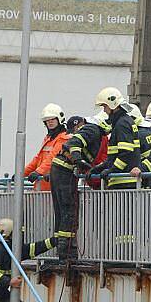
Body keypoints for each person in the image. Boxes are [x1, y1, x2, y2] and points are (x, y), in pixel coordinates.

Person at [51, 111, 110, 260]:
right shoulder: (93, 130)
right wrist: (78, 160)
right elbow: (73, 143)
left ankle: (62, 251)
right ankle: (68, 253)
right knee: (70, 211)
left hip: (60, 170)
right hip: (66, 171)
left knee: (62, 212)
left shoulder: (95, 132)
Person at [88, 87, 139, 189]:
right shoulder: (123, 122)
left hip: (124, 182)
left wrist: (112, 170)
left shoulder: (122, 124)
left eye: (105, 106)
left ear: (112, 105)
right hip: (124, 180)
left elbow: (126, 153)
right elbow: (114, 156)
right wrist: (98, 168)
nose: (104, 111)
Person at [24, 103, 70, 192]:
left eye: (52, 119)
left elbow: (52, 158)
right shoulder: (48, 139)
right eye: (47, 120)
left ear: (59, 119)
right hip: (43, 187)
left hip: (56, 188)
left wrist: (38, 172)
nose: (50, 122)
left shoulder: (64, 138)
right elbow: (38, 159)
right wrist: (22, 173)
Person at [68, 115, 108, 190]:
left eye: (75, 130)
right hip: (96, 179)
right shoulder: (94, 134)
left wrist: (78, 160)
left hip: (102, 178)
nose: (74, 133)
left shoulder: (91, 132)